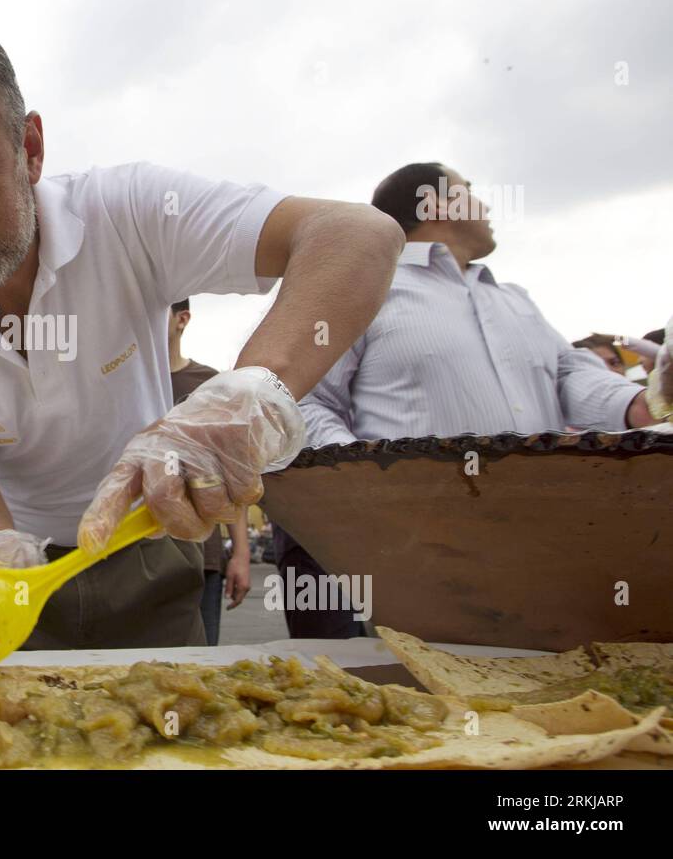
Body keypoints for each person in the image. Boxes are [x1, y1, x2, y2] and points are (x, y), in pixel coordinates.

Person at [0, 26, 403, 650]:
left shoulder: (128, 213)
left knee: (172, 733)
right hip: (14, 570)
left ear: (30, 149)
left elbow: (357, 235)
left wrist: (243, 398)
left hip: (148, 545)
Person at [280, 162, 666, 636]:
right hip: (411, 551)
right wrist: (363, 494)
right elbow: (307, 401)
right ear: (434, 203)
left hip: (542, 547)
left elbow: (569, 375)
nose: (485, 206)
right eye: (471, 191)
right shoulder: (363, 291)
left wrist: (646, 403)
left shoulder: (517, 300)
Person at [166, 299, 250, 645]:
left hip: (201, 556)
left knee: (198, 665)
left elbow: (233, 475)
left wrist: (242, 554)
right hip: (128, 556)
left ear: (182, 319)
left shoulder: (210, 384)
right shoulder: (112, 380)